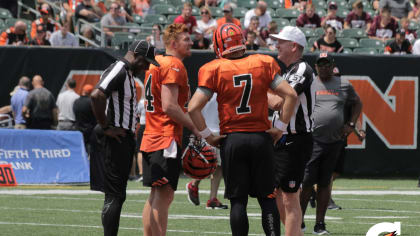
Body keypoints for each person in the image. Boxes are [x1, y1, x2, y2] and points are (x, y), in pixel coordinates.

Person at [188, 23, 298, 236]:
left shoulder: (213, 68)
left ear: (220, 45)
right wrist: (280, 128)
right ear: (242, 41)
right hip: (261, 138)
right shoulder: (263, 62)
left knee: (238, 201)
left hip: (233, 139)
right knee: (267, 198)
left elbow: (193, 107)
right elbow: (291, 95)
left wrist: (208, 136)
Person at [91, 40, 159, 236]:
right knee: (115, 195)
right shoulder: (120, 69)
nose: (147, 67)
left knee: (117, 195)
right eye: (146, 62)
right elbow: (96, 96)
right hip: (115, 138)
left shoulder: (126, 72)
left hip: (121, 137)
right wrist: (106, 128)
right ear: (136, 56)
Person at [140, 23, 200, 236]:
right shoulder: (173, 65)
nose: (191, 42)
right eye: (186, 39)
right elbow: (169, 106)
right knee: (164, 196)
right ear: (173, 43)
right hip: (165, 137)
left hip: (151, 134)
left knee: (156, 195)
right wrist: (194, 127)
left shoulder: (157, 63)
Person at [300, 52, 362, 235]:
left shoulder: (343, 84)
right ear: (316, 66)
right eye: (321, 64)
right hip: (312, 140)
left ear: (332, 65)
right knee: (306, 182)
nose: (324, 67)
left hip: (334, 141)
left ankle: (320, 224)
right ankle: (299, 221)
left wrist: (351, 124)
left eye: (327, 64)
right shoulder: (309, 83)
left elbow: (358, 103)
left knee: (325, 183)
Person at [268, 26, 315, 236]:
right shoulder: (287, 71)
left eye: (281, 42)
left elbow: (280, 101)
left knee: (289, 196)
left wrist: (256, 92)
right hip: (284, 139)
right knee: (279, 194)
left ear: (294, 46)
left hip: (295, 139)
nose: (276, 45)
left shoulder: (302, 69)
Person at [186, 94, 228, 209]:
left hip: (219, 129)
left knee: (218, 166)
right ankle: (193, 184)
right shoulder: (206, 89)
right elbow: (193, 109)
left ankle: (212, 199)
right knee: (207, 164)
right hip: (207, 129)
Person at [73, 84, 96, 151]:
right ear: (91, 92)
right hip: (89, 130)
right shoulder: (91, 102)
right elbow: (95, 115)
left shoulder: (76, 101)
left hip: (78, 129)